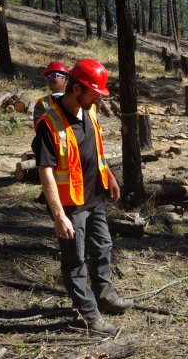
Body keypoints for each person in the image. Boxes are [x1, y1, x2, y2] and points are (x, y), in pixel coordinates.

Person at [32, 58, 133, 335]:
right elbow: (46, 172)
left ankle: (105, 295)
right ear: (76, 89)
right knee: (75, 260)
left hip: (94, 197)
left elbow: (96, 151)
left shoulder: (89, 112)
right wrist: (58, 215)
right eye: (94, 93)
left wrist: (110, 176)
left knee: (102, 247)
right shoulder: (49, 124)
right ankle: (89, 315)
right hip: (70, 206)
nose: (98, 99)